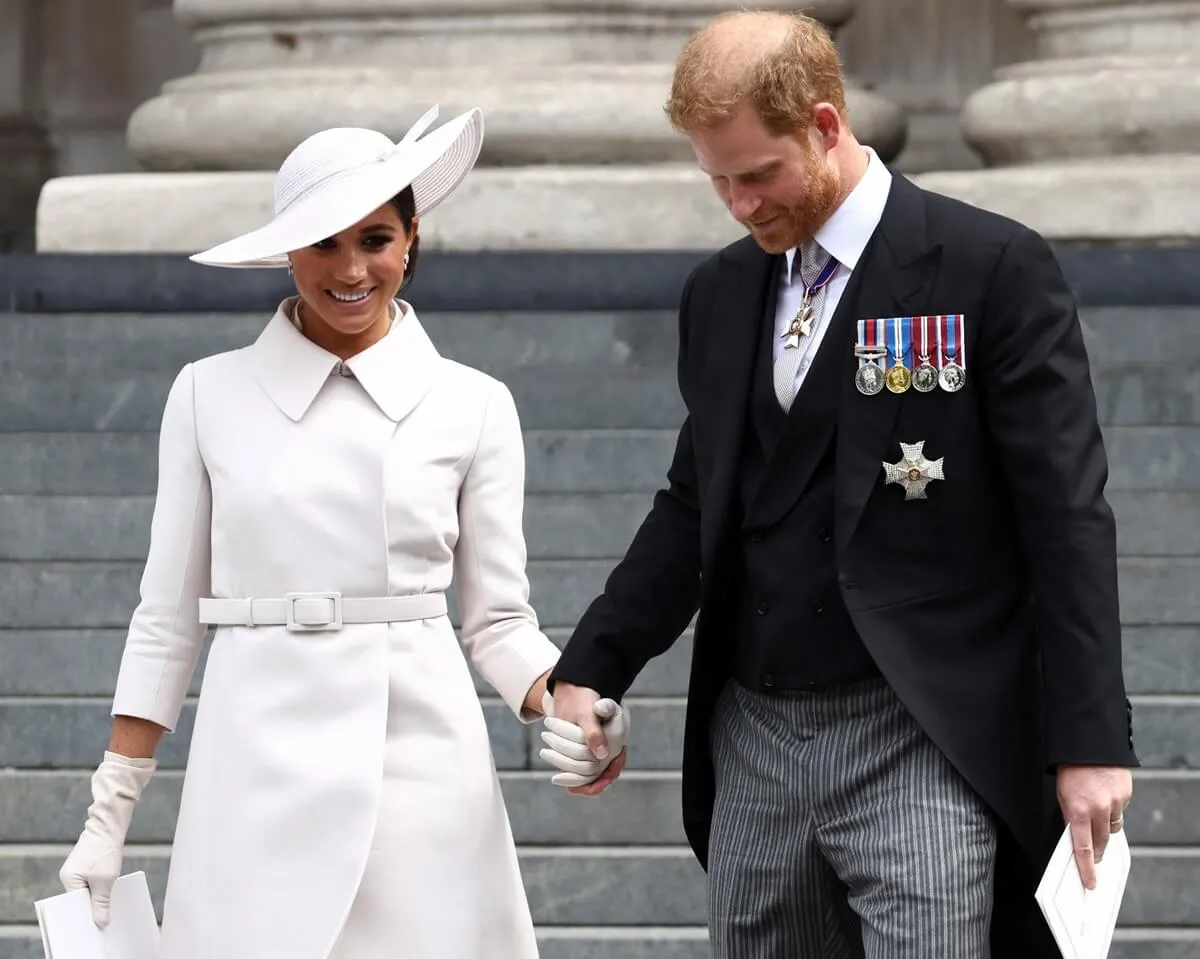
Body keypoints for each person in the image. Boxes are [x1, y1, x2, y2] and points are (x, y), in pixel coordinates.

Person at [546, 11, 1137, 957]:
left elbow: (1067, 516)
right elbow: (695, 505)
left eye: (757, 174)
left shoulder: (991, 266)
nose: (739, 204)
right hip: (754, 731)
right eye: (717, 181)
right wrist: (590, 668)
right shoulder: (720, 292)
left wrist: (1092, 738)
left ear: (825, 125)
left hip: (922, 728)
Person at [57, 105, 566, 959]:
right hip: (254, 753)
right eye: (323, 243)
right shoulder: (205, 394)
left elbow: (499, 622)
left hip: (423, 763)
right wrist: (108, 812)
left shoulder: (475, 403)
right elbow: (166, 619)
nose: (351, 268)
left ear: (411, 240)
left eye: (374, 238)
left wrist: (573, 699)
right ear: (285, 251)